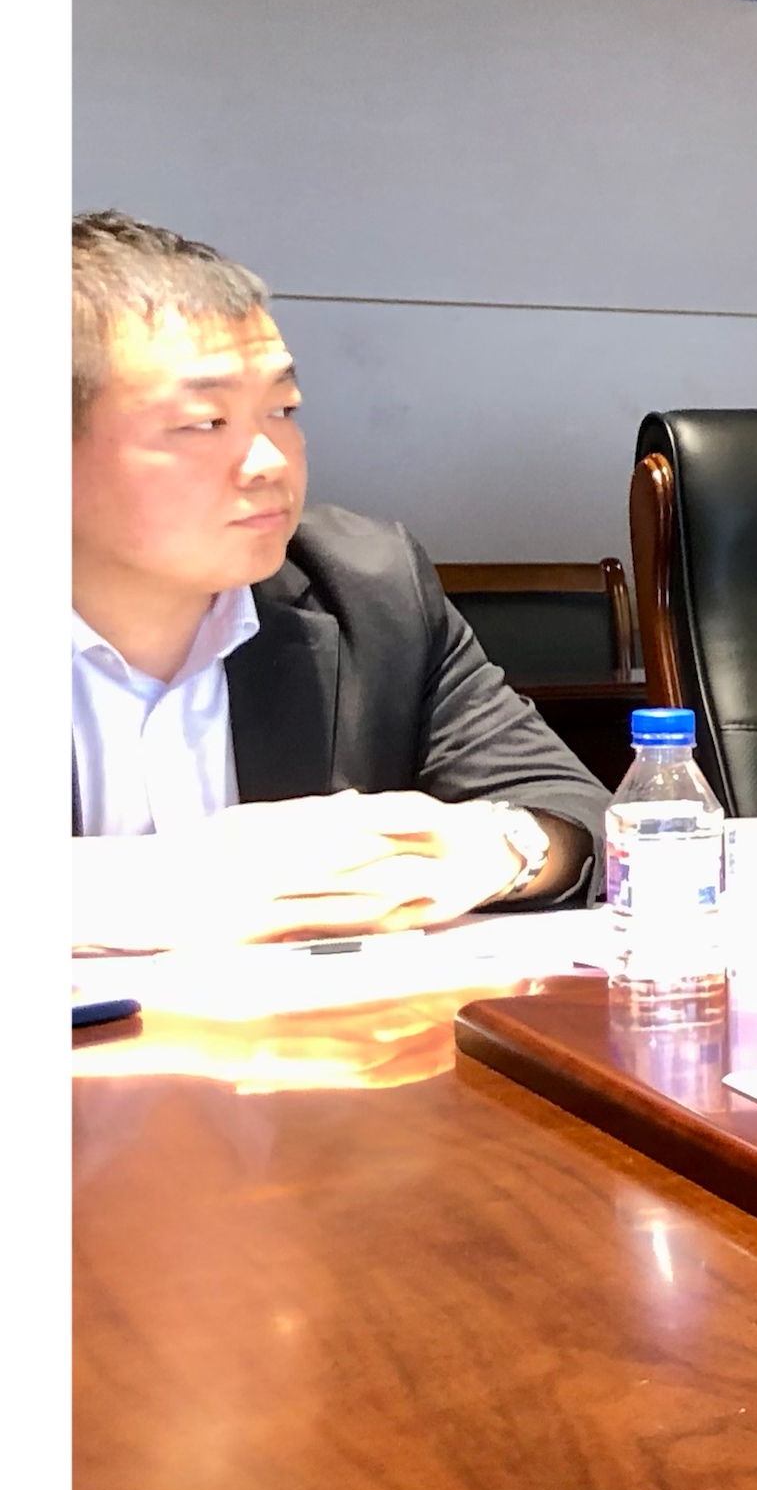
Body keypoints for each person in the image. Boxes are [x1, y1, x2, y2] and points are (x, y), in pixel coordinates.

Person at [70, 212, 607, 950]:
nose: (270, 461)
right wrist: (140, 885)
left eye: (282, 410)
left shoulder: (366, 589)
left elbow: (577, 809)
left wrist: (496, 850)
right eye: (205, 422)